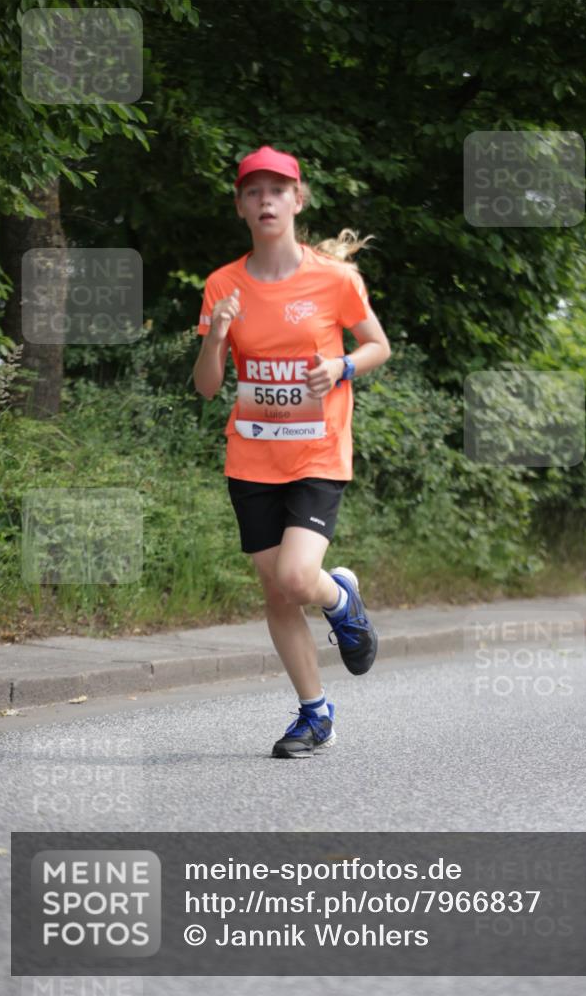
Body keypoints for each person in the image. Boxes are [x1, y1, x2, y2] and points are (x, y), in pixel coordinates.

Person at [193, 145, 391, 758]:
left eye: (277, 190)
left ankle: (341, 599)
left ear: (297, 201)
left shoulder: (335, 279)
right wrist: (219, 335)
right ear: (241, 207)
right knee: (277, 593)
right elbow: (206, 385)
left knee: (298, 576)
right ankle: (315, 715)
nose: (266, 200)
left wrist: (340, 366)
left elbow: (378, 346)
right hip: (252, 456)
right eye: (254, 191)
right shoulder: (222, 285)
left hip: (317, 451)